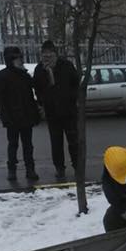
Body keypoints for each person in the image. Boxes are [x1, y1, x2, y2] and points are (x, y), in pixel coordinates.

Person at [33, 39, 79, 181]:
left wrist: (72, 98)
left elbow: (76, 83)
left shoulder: (66, 66)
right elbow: (37, 89)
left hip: (69, 111)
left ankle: (78, 166)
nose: (47, 57)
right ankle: (60, 168)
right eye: (44, 55)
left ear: (55, 54)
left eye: (50, 54)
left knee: (74, 141)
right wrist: (43, 102)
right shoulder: (39, 69)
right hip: (52, 113)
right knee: (56, 143)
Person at [0, 46, 40, 182]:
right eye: (17, 58)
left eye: (21, 58)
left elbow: (31, 95)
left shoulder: (24, 75)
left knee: (28, 145)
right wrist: (5, 118)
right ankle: (12, 170)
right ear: (10, 60)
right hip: (12, 118)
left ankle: (30, 169)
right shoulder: (2, 76)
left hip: (26, 117)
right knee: (13, 145)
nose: (20, 60)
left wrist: (35, 114)